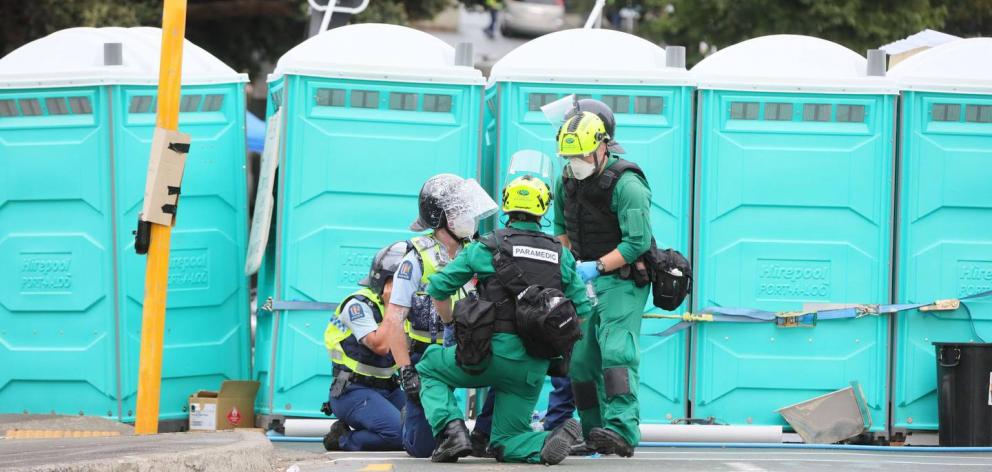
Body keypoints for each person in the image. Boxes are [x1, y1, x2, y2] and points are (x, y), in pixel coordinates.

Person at [414, 175, 593, 464]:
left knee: (429, 368)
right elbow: (582, 313)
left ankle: (451, 432)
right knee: (507, 440)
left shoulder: (486, 246)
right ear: (543, 208)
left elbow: (438, 288)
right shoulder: (562, 255)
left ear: (506, 205)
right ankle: (545, 441)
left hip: (485, 355)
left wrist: (450, 324)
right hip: (531, 367)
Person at [554, 103, 653, 457]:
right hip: (583, 280)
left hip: (622, 278)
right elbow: (562, 230)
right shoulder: (566, 178)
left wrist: (597, 266)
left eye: (581, 154)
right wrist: (569, 270)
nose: (575, 161)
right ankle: (593, 430)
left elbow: (636, 242)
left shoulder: (628, 184)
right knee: (579, 358)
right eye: (569, 156)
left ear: (602, 145)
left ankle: (622, 429)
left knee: (616, 350)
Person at [380, 174, 495, 457]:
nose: (469, 216)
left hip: (471, 349)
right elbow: (394, 319)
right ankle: (424, 420)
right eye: (460, 211)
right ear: (440, 218)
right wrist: (406, 370)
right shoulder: (416, 258)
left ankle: (482, 432)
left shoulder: (479, 252)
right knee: (421, 449)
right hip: (427, 355)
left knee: (511, 373)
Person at [322, 241, 409, 451]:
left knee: (422, 432)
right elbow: (379, 346)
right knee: (397, 435)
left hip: (388, 388)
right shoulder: (358, 305)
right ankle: (342, 439)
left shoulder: (406, 306)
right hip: (353, 390)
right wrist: (392, 305)